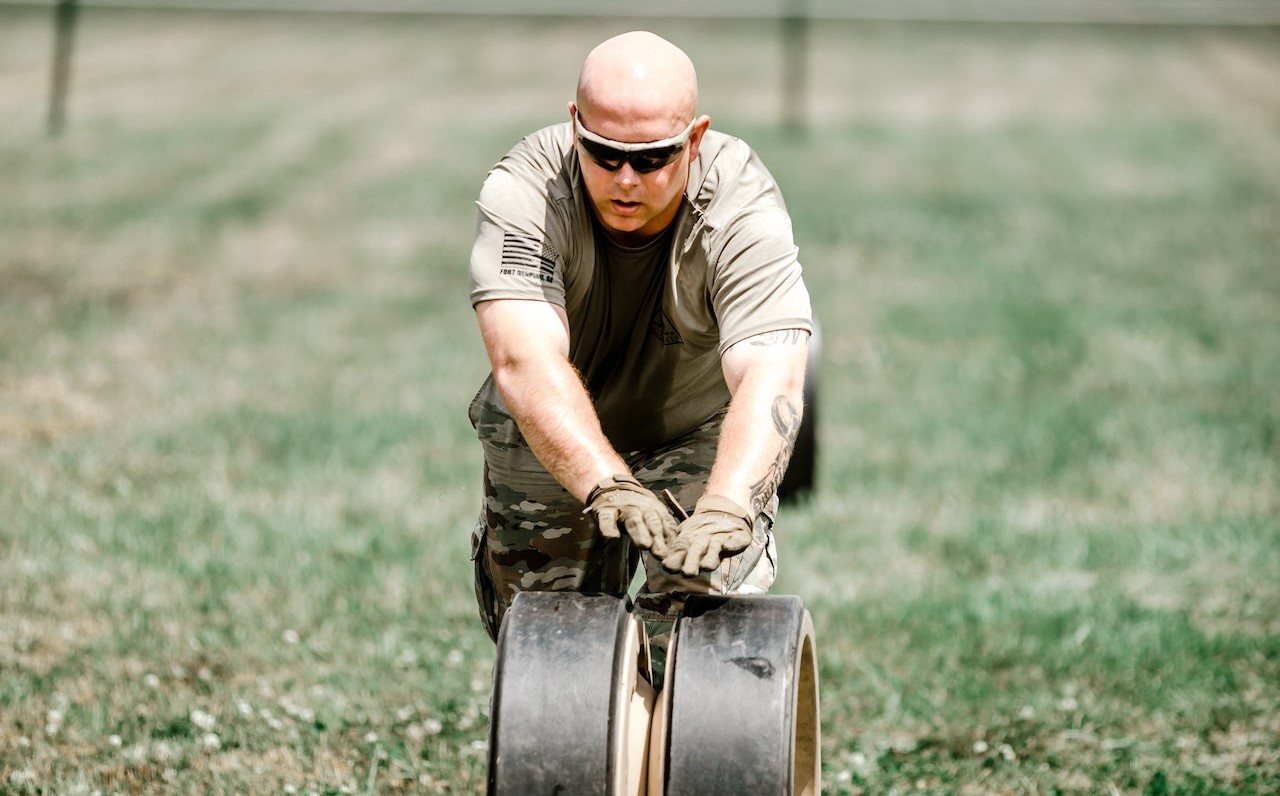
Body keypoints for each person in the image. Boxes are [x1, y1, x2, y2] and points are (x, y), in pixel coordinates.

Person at [467, 30, 812, 682]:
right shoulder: (527, 192)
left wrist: (730, 503)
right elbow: (523, 360)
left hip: (693, 427)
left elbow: (772, 366)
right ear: (575, 127)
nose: (626, 180)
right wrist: (605, 480)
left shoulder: (740, 202)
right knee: (552, 656)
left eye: (653, 159)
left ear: (695, 138)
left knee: (704, 638)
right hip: (549, 437)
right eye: (603, 154)